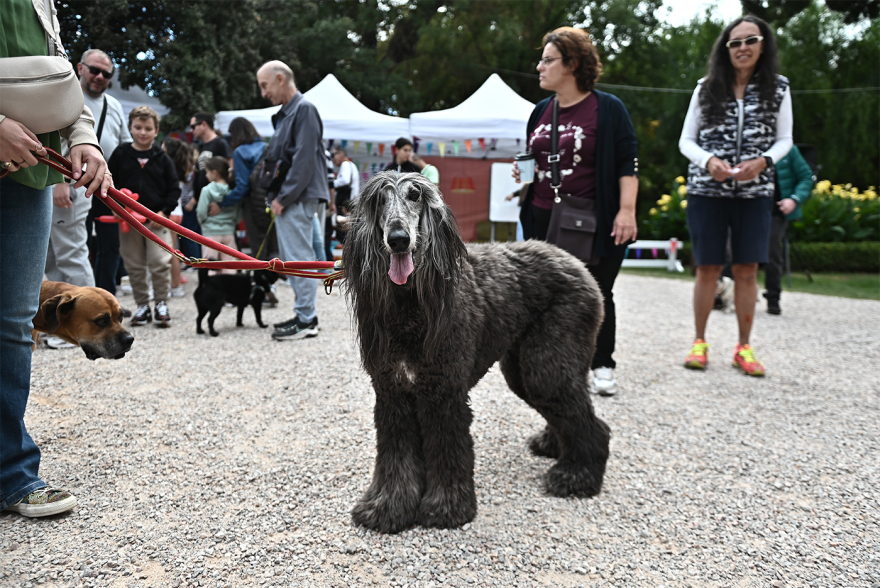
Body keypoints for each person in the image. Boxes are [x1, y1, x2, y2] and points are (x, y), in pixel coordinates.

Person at [1, 0, 111, 518]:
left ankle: (12, 474)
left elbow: (58, 77)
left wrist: (83, 139)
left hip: (26, 179)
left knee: (11, 325)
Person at [512, 26, 638, 397]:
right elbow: (531, 161)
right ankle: (555, 364)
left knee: (598, 292)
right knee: (544, 296)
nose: (539, 67)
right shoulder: (540, 111)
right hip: (540, 217)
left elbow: (627, 164)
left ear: (573, 64)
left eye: (548, 60)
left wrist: (626, 211)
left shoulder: (608, 108)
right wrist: (522, 173)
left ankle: (602, 363)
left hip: (592, 220)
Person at [678, 15, 792, 376]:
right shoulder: (706, 87)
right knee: (708, 267)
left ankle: (743, 347)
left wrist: (763, 161)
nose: (742, 48)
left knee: (746, 270)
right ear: (725, 49)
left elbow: (785, 139)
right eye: (734, 42)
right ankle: (699, 341)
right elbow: (686, 140)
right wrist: (708, 160)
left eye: (750, 40)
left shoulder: (779, 88)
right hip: (706, 191)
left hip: (755, 193)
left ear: (763, 45)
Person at [256, 60, 330, 340]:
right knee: (294, 257)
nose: (264, 93)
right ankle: (304, 314)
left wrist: (283, 197)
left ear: (279, 79)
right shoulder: (290, 112)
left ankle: (307, 319)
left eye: (265, 85)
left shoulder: (303, 109)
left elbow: (303, 159)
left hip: (297, 196)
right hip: (293, 196)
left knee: (298, 257)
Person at [61, 50, 133, 303]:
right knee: (70, 248)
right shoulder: (64, 94)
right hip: (72, 184)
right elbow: (50, 141)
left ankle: (105, 299)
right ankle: (83, 310)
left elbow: (125, 146)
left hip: (106, 187)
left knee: (109, 246)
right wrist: (59, 182)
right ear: (80, 68)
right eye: (94, 70)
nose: (100, 76)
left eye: (106, 74)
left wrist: (126, 188)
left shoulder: (113, 104)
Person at [109, 106, 181, 327]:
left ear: (156, 130)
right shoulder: (121, 154)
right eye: (138, 127)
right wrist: (116, 207)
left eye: (148, 128)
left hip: (157, 221)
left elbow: (174, 189)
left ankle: (161, 303)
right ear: (130, 128)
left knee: (160, 262)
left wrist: (163, 213)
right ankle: (142, 304)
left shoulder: (162, 158)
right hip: (128, 220)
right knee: (134, 263)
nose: (143, 132)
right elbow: (109, 183)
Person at [208, 117, 277, 261]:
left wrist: (222, 202)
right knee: (273, 245)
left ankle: (261, 281)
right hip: (271, 201)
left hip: (253, 204)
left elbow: (243, 186)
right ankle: (274, 280)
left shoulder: (240, 152)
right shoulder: (266, 146)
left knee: (259, 249)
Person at [763, 144, 813, 314]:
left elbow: (806, 177)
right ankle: (725, 294)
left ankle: (773, 298)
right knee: (733, 250)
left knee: (772, 252)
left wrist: (793, 199)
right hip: (749, 210)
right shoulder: (750, 144)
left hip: (776, 212)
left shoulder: (788, 150)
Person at [182, 112, 232, 259]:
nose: (192, 130)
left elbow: (230, 172)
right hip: (203, 201)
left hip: (216, 205)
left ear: (204, 124)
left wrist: (221, 202)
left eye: (193, 126)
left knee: (221, 248)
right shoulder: (203, 146)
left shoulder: (220, 143)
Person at [161, 137, 194, 297]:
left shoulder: (166, 167)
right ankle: (176, 284)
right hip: (177, 213)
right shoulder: (180, 168)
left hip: (169, 213)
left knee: (167, 253)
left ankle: (173, 286)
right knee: (174, 251)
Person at [197, 156, 239, 273]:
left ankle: (212, 289)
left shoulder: (206, 190)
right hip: (229, 232)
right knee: (230, 266)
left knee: (210, 267)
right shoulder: (232, 192)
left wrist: (204, 222)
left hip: (210, 233)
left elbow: (201, 212)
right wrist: (233, 222)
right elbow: (239, 211)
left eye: (207, 172)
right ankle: (229, 289)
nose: (206, 175)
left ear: (214, 173)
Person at [329, 145, 360, 249]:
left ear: (341, 154)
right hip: (350, 203)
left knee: (343, 233)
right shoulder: (351, 165)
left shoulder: (345, 164)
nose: (332, 159)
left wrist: (331, 183)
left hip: (345, 204)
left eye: (333, 155)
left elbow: (345, 181)